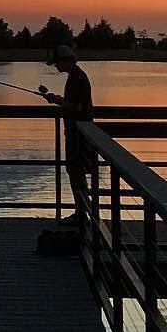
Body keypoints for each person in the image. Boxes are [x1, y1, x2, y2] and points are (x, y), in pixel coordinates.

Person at [42, 44, 94, 226]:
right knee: (75, 172)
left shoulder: (77, 78)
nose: (56, 66)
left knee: (76, 171)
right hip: (75, 131)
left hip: (79, 134)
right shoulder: (75, 76)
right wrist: (59, 101)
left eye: (57, 63)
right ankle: (82, 212)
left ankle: (82, 214)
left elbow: (77, 107)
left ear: (68, 60)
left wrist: (57, 100)